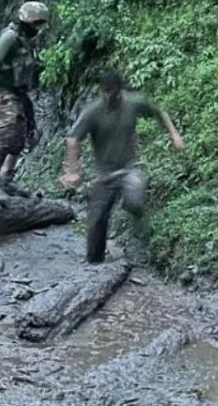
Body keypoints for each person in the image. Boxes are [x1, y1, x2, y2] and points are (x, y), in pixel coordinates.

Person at [59, 70, 184, 263]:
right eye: (106, 92)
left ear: (120, 90)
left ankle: (140, 238)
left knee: (134, 198)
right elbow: (73, 139)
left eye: (113, 92)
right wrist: (72, 171)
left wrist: (174, 135)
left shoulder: (133, 103)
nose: (109, 96)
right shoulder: (93, 112)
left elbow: (159, 112)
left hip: (129, 167)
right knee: (97, 220)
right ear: (101, 91)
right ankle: (95, 261)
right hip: (104, 173)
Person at [0, 1, 49, 190]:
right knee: (8, 133)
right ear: (27, 21)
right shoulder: (10, 37)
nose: (38, 28)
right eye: (37, 24)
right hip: (4, 92)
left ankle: (7, 178)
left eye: (41, 24)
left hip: (20, 93)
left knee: (23, 134)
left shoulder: (25, 39)